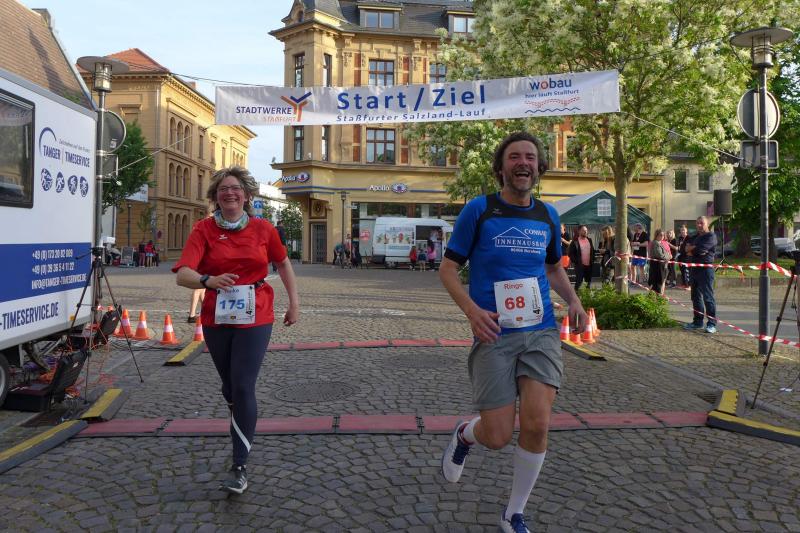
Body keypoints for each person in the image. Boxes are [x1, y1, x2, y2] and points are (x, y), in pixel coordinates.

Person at [438, 131, 588, 533]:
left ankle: (513, 513)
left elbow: (553, 268)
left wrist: (574, 301)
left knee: (537, 423)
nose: (523, 163)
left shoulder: (548, 215)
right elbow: (448, 270)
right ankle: (466, 435)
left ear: (539, 168)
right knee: (498, 435)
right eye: (515, 157)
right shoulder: (480, 210)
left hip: (540, 330)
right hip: (494, 332)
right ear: (501, 167)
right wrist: (472, 312)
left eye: (530, 157)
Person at [173, 166, 299, 494]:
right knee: (229, 388)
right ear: (215, 196)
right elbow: (183, 274)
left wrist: (294, 303)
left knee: (243, 386)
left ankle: (239, 465)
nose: (229, 193)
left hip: (256, 314)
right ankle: (241, 418)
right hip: (217, 317)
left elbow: (283, 263)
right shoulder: (203, 230)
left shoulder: (263, 229)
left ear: (247, 195)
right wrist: (208, 280)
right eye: (223, 189)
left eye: (235, 188)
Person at [684, 216, 717, 333]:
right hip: (694, 269)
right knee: (695, 297)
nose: (699, 225)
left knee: (708, 297)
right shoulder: (695, 237)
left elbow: (701, 250)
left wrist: (692, 250)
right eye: (697, 223)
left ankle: (711, 324)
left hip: (706, 270)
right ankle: (697, 322)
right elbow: (685, 249)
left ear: (707, 224)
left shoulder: (711, 236)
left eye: (701, 223)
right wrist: (692, 249)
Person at [567, 225, 594, 290]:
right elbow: (570, 253)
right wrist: (576, 261)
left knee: (588, 283)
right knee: (579, 282)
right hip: (580, 265)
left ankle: (587, 294)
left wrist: (593, 259)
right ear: (579, 231)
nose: (585, 232)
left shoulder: (589, 240)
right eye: (583, 230)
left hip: (589, 265)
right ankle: (576, 294)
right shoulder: (575, 242)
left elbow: (592, 251)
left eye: (586, 230)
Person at [647, 229, 670, 295]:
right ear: (656, 235)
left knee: (660, 282)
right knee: (657, 282)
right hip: (657, 266)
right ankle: (657, 297)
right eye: (661, 235)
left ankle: (658, 296)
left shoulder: (660, 243)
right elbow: (660, 255)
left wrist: (667, 255)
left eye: (663, 235)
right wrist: (668, 256)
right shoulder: (655, 243)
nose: (662, 236)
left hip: (660, 265)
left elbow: (665, 253)